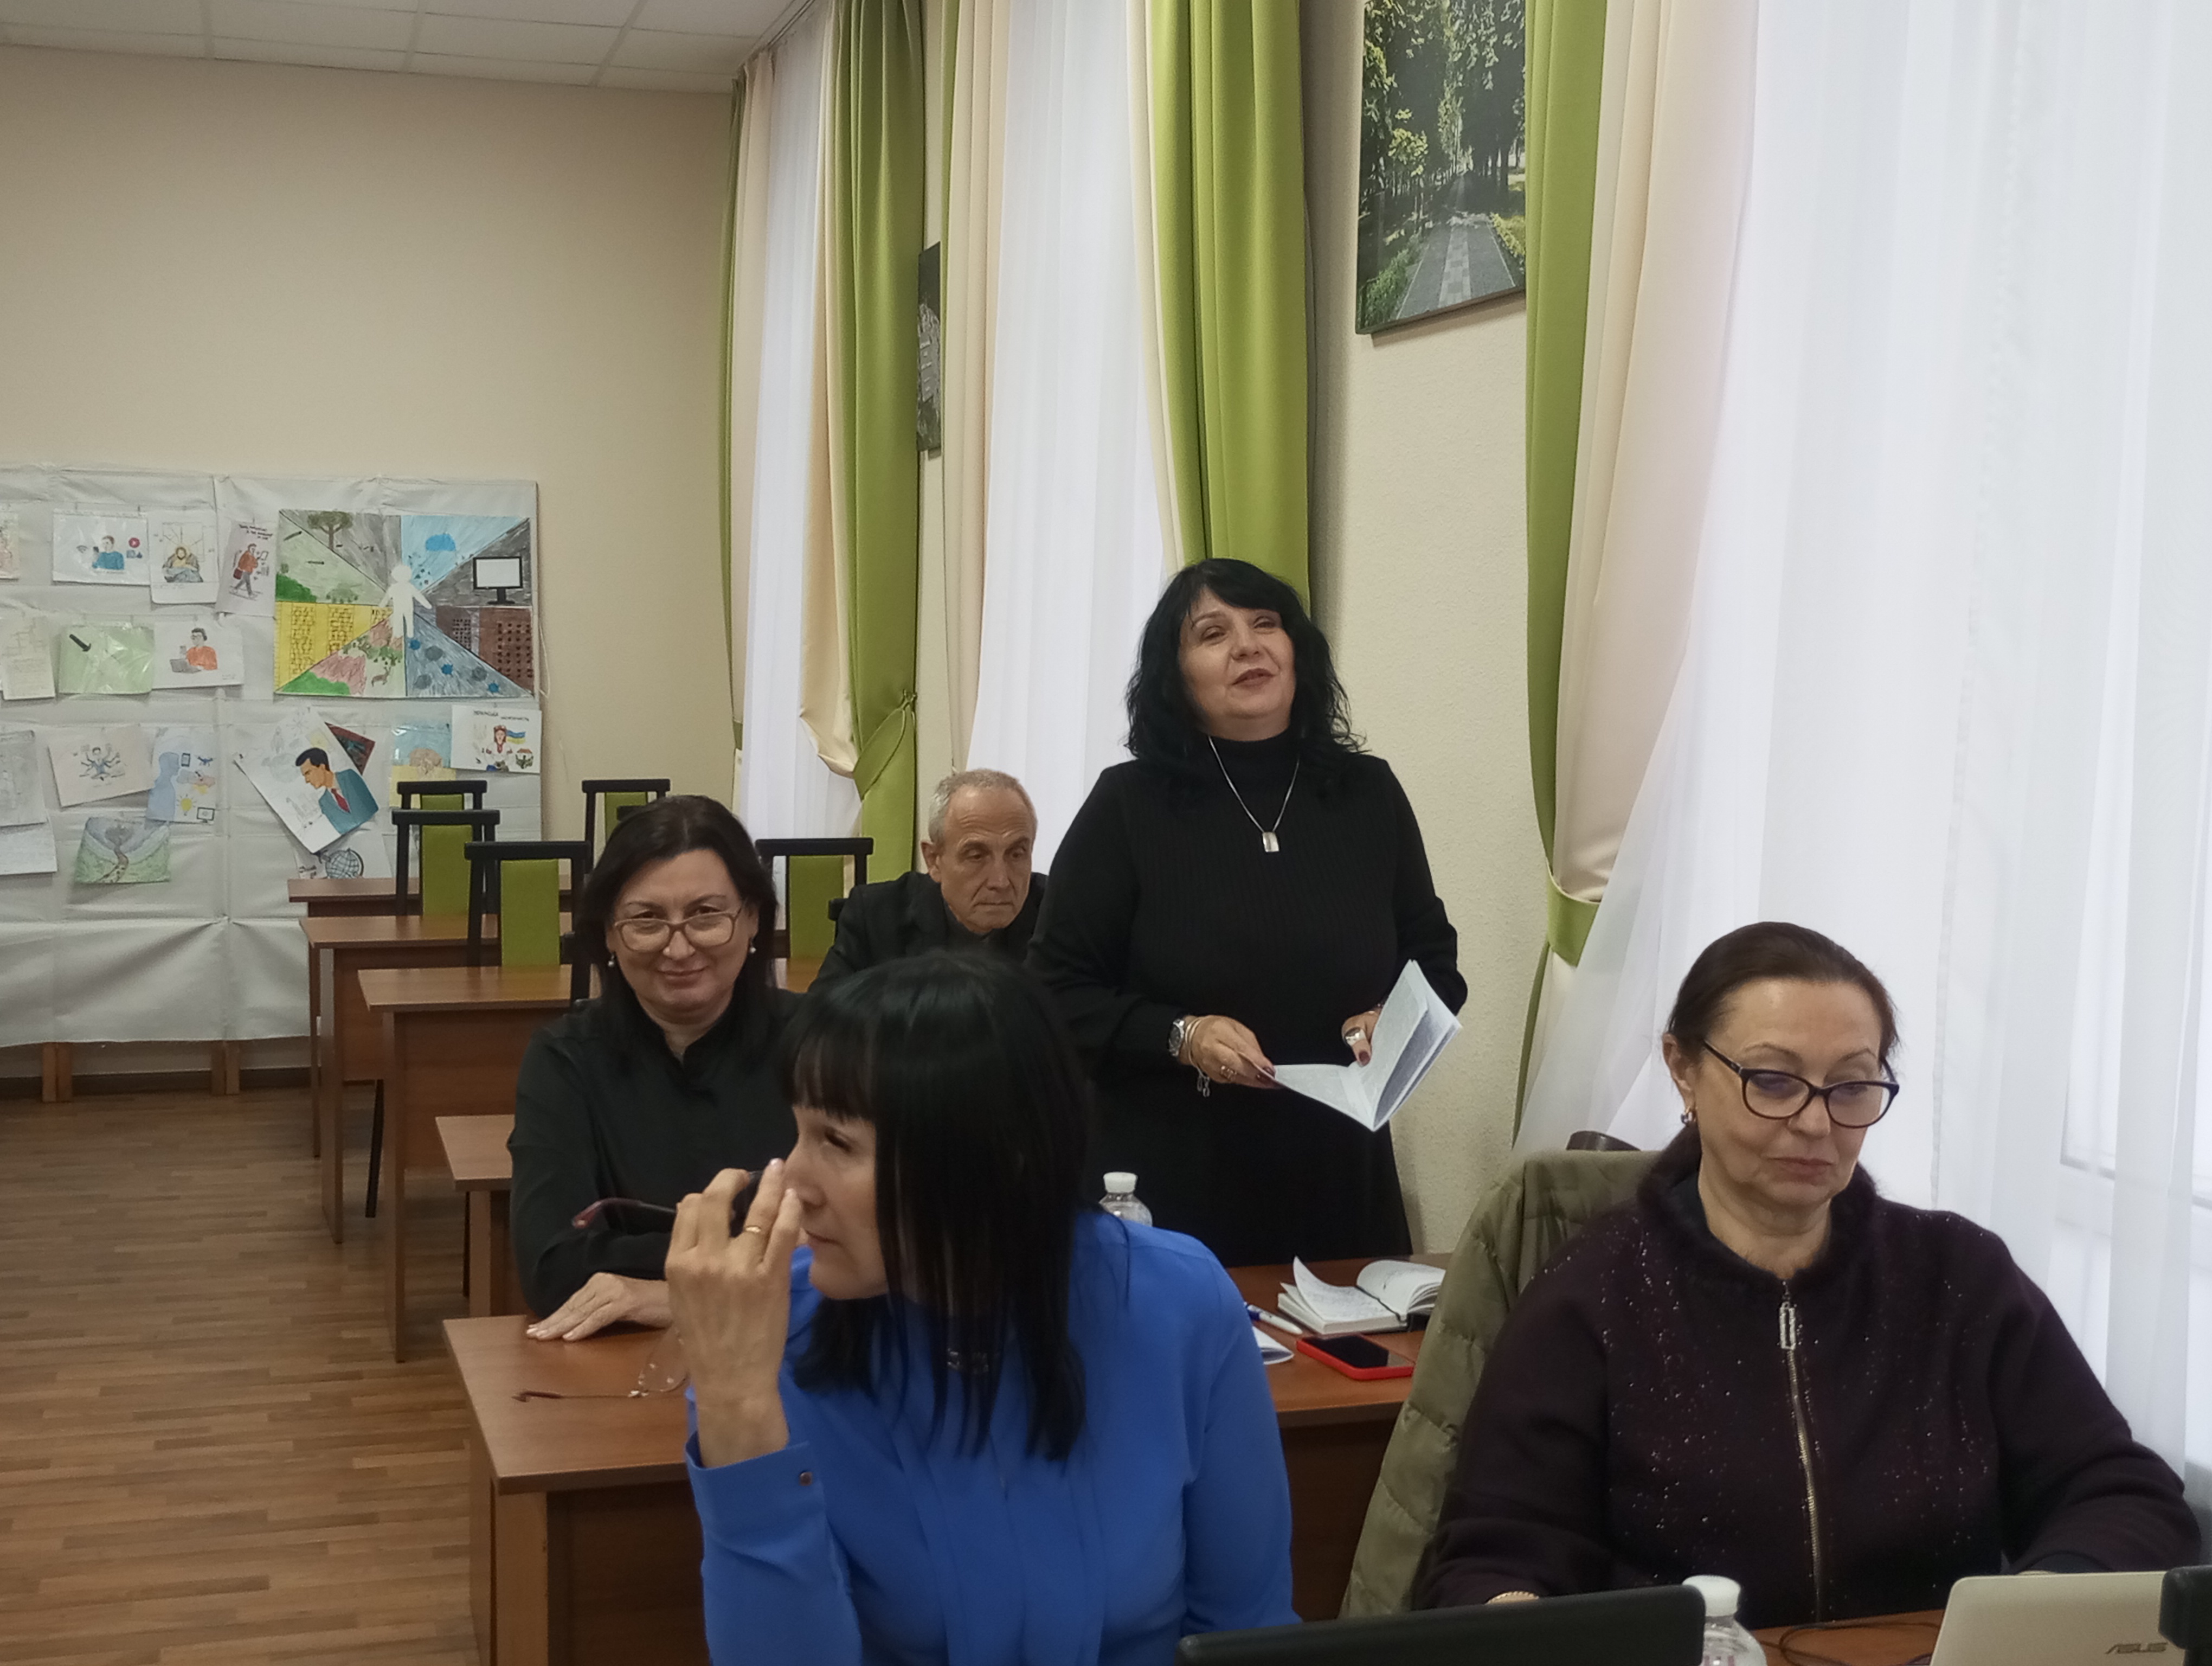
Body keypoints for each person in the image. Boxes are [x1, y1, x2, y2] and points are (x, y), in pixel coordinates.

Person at [1420, 922, 2200, 1628]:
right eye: (1773, 1080)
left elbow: (2120, 1493)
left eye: (1852, 1086)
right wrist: (1516, 1620)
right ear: (1683, 1069)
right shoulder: (1590, 1298)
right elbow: (1493, 1556)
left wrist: (2036, 1609)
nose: (1817, 1122)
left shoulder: (1958, 1278)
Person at [664, 954, 1296, 1664]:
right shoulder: (773, 1342)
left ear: (995, 1156)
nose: (790, 1185)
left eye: (836, 1142)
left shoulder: (1177, 1302)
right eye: (799, 1132)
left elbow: (1248, 1629)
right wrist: (737, 1410)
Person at [1028, 557, 1465, 1266]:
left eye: (1266, 624)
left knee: (1364, 1342)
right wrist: (1182, 1034)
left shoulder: (1367, 794)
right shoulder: (1127, 807)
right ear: (1176, 676)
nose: (1247, 645)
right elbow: (1054, 993)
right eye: (1213, 633)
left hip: (1340, 1174)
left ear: (1297, 651)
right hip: (1174, 1182)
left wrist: (1394, 1018)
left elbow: (1435, 962)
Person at [510, 794, 797, 1338]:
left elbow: (863, 1247)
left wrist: (670, 1298)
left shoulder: (823, 1045)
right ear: (609, 933)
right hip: (621, 1362)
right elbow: (552, 1264)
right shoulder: (564, 1059)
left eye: (706, 915)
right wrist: (762, 1255)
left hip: (793, 1349)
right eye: (647, 920)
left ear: (753, 918)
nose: (679, 948)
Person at [812, 768, 1047, 986]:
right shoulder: (877, 916)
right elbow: (822, 1012)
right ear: (934, 860)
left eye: (1017, 854)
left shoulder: (1056, 915)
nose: (1001, 881)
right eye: (976, 856)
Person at [293, 746, 372, 831]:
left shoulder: (349, 777)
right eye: (305, 776)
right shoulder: (324, 803)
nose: (307, 780)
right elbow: (342, 830)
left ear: (322, 767)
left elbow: (371, 807)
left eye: (308, 773)